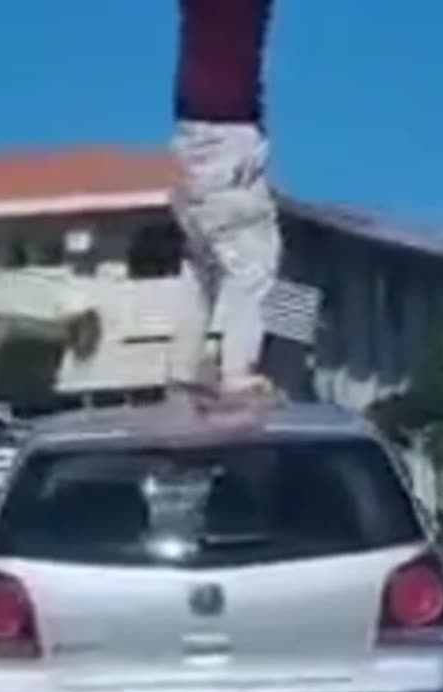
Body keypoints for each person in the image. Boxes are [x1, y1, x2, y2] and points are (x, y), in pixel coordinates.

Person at [166, 0, 281, 404]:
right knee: (254, 261)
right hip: (227, 134)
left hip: (186, 135)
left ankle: (181, 369)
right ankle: (237, 373)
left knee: (202, 258)